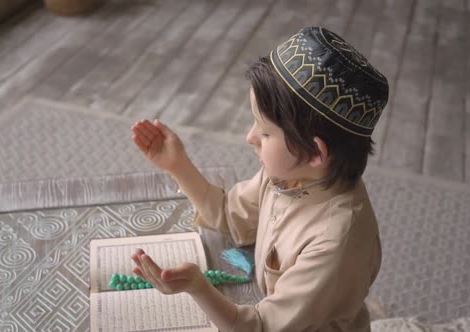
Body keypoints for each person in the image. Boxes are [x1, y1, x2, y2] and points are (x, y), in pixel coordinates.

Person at [130, 27, 388, 332]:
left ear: (315, 153)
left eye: (265, 133)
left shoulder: (336, 244)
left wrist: (199, 287)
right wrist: (178, 164)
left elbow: (261, 327)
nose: (249, 137)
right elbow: (231, 215)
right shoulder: (290, 174)